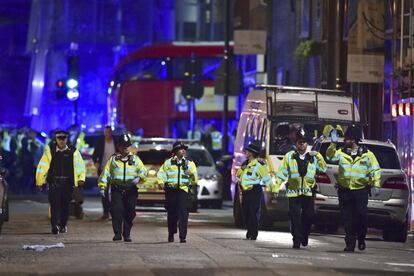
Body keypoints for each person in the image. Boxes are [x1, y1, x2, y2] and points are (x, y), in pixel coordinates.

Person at [326, 125, 381, 252]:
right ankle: (350, 244)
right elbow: (329, 156)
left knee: (361, 215)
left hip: (361, 190)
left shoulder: (368, 154)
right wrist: (333, 144)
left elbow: (375, 170)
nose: (344, 140)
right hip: (345, 190)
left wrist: (376, 185)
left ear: (354, 139)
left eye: (347, 138)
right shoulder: (341, 152)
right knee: (347, 218)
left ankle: (361, 238)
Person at [272, 129, 327, 249]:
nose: (301, 144)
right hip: (293, 192)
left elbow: (323, 169)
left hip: (308, 192)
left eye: (304, 142)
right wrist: (276, 187)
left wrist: (318, 155)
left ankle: (305, 234)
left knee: (309, 216)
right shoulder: (289, 156)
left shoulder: (313, 156)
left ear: (307, 143)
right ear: (296, 143)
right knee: (295, 216)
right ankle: (296, 239)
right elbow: (281, 173)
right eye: (299, 142)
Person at [98, 133, 147, 242]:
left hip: (131, 190)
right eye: (123, 145)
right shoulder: (113, 159)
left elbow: (143, 171)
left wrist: (139, 178)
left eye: (127, 145)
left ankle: (127, 233)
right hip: (117, 189)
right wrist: (102, 187)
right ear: (119, 146)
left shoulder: (135, 159)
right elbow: (106, 173)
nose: (125, 147)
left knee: (130, 212)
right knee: (117, 210)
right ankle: (117, 234)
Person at [35, 130, 86, 234]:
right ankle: (55, 226)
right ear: (56, 139)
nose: (61, 141)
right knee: (54, 205)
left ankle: (63, 225)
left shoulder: (73, 151)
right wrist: (40, 181)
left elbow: (80, 166)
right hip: (54, 183)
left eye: (63, 138)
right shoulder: (50, 150)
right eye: (59, 138)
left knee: (65, 206)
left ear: (67, 139)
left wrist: (81, 179)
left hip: (67, 184)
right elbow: (42, 166)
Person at [157, 141, 198, 243]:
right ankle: (171, 233)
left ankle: (182, 236)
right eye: (181, 148)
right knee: (172, 214)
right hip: (171, 191)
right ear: (175, 151)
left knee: (183, 214)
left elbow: (195, 180)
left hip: (183, 191)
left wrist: (191, 174)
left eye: (184, 149)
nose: (183, 150)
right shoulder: (168, 163)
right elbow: (161, 174)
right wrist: (161, 182)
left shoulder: (190, 163)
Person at [236, 140, 273, 240]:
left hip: (255, 190)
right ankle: (249, 229)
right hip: (245, 191)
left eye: (247, 151)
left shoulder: (259, 165)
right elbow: (238, 176)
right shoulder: (245, 164)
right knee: (246, 212)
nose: (246, 153)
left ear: (251, 153)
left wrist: (274, 189)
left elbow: (267, 178)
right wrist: (241, 172)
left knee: (253, 212)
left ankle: (253, 232)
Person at [92, 125, 116, 219]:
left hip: (114, 171)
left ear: (111, 132)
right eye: (105, 132)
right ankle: (106, 213)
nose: (107, 134)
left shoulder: (116, 142)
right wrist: (96, 162)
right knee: (104, 192)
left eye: (108, 132)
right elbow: (94, 155)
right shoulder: (100, 142)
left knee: (115, 192)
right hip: (103, 170)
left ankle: (113, 212)